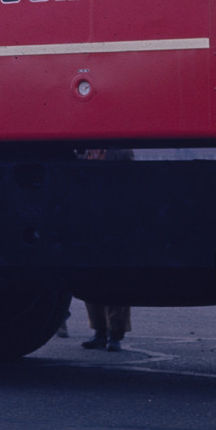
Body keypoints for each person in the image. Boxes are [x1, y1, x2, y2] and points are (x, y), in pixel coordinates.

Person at [78, 146, 134, 352]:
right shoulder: (82, 152)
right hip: (89, 221)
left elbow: (131, 183)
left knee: (116, 279)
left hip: (115, 220)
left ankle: (115, 333)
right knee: (91, 279)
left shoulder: (121, 152)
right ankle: (99, 332)